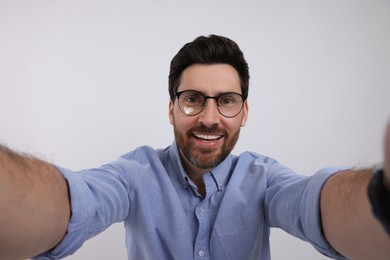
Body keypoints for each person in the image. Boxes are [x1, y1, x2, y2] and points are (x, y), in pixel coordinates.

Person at [0, 35, 389, 260]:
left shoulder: (264, 178)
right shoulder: (134, 174)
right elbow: (74, 202)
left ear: (244, 111)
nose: (208, 117)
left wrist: (381, 195)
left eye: (226, 100)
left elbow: (316, 205)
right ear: (171, 109)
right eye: (192, 99)